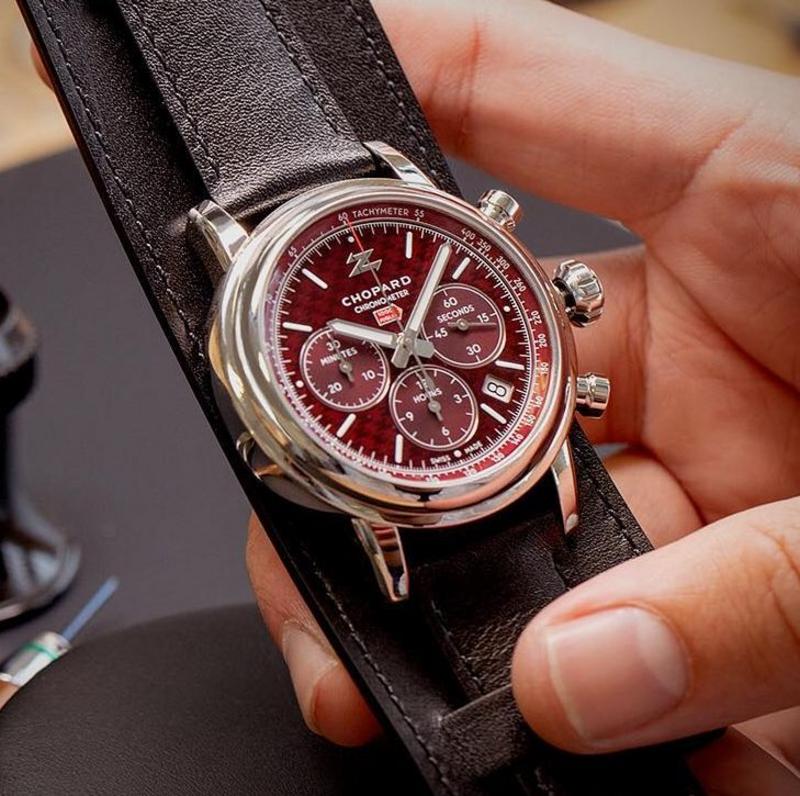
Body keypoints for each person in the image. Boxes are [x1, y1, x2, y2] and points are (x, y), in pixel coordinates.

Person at [36, 0, 800, 791]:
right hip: (393, 492)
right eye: (363, 349)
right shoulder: (241, 240)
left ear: (561, 300)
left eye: (418, 331)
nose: (407, 347)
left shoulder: (404, 197)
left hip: (510, 461)